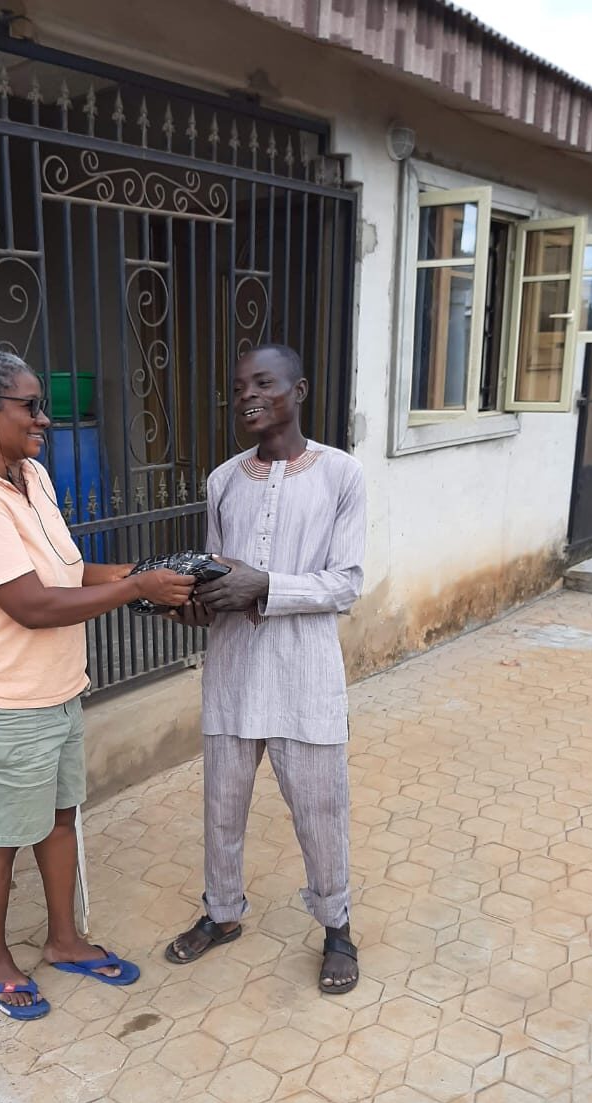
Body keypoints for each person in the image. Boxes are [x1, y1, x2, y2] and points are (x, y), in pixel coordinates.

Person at [0, 347, 194, 1019]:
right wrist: (136, 587)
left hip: (56, 689)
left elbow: (65, 572)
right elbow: (33, 604)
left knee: (59, 818)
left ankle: (64, 939)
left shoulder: (31, 474)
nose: (45, 419)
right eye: (31, 407)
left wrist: (147, 576)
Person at [165, 343, 366, 994]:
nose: (248, 394)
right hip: (232, 672)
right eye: (239, 385)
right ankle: (222, 912)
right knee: (222, 807)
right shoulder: (223, 480)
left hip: (304, 675)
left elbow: (346, 582)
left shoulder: (341, 474)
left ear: (298, 390)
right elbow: (218, 575)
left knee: (320, 808)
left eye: (263, 382)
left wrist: (266, 585)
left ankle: (337, 927)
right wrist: (196, 605)